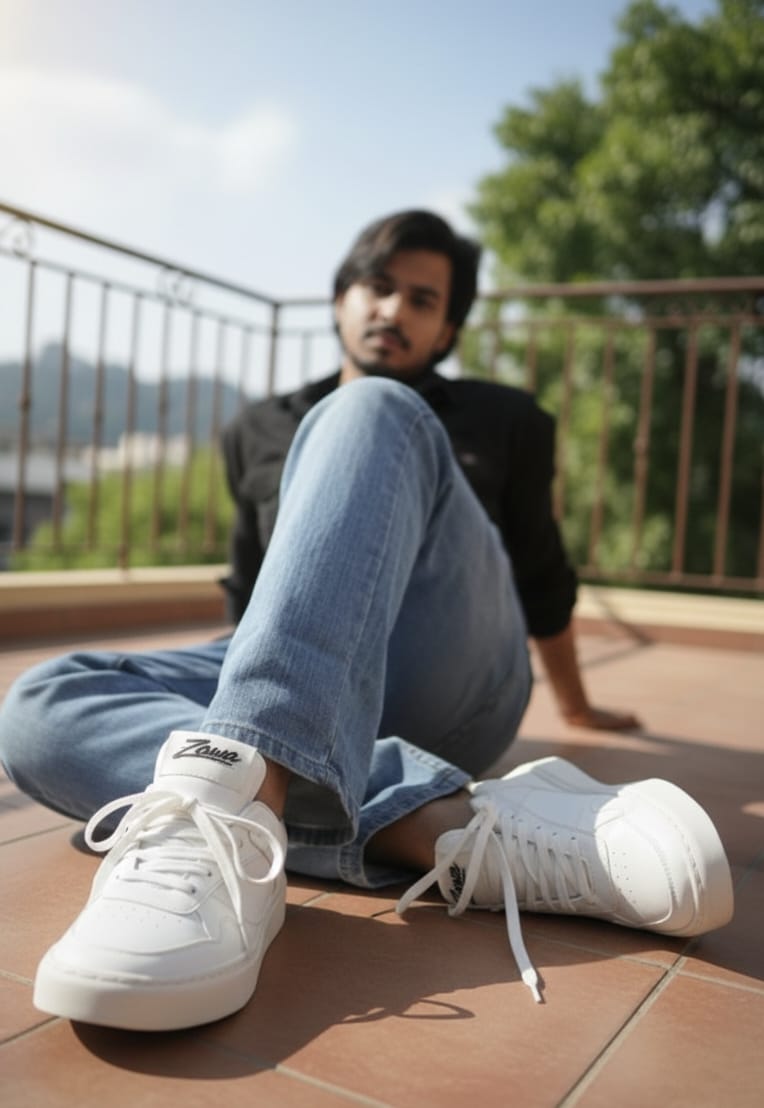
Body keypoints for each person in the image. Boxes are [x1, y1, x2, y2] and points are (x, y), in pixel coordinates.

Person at [0, 210, 733, 1031]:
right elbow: (253, 592)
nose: (394, 310)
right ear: (343, 298)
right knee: (38, 707)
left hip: (449, 674)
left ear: (448, 326)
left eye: (423, 299)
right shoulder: (257, 428)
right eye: (378, 288)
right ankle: (434, 825)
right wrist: (252, 699)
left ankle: (243, 800)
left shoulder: (504, 418)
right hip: (304, 674)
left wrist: (578, 705)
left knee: (374, 410)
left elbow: (542, 574)